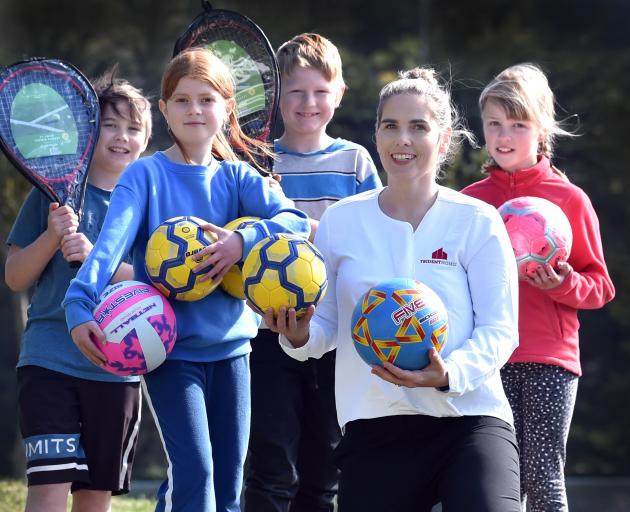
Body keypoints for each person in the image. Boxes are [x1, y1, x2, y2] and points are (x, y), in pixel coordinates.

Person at [264, 67, 522, 512]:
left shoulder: (477, 220)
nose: (403, 140)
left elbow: (500, 330)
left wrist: (449, 374)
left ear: (443, 141)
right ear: (377, 137)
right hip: (375, 423)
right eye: (391, 126)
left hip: (469, 419)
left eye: (418, 127)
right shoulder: (341, 222)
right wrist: (298, 335)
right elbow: (324, 327)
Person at [63, 48, 309, 512]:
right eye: (182, 100)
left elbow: (295, 221)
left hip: (235, 353)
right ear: (165, 111)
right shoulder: (144, 176)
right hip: (170, 355)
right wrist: (80, 304)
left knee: (228, 490)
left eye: (206, 99)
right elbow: (109, 246)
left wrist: (243, 241)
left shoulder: (238, 178)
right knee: (195, 478)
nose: (195, 110)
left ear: (227, 108)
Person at [461, 63, 615, 512]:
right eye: (494, 124)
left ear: (542, 129)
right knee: (496, 485)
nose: (504, 135)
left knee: (544, 481)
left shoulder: (569, 199)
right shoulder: (470, 202)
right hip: (488, 358)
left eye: (518, 124)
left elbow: (600, 285)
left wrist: (562, 283)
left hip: (549, 360)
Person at [245, 33, 381, 512]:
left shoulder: (356, 161)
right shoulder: (256, 161)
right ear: (276, 97)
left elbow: (374, 236)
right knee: (270, 462)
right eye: (295, 92)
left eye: (320, 91)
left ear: (340, 93)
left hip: (335, 333)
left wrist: (318, 233)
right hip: (265, 331)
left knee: (324, 467)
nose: (308, 103)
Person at [5, 71, 152, 512]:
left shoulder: (151, 202)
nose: (121, 137)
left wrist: (97, 260)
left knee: (94, 497)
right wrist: (52, 236)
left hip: (117, 369)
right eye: (110, 125)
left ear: (146, 138)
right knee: (47, 492)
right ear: (87, 132)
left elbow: (156, 286)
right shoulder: (49, 192)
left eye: (133, 128)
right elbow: (15, 276)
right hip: (50, 361)